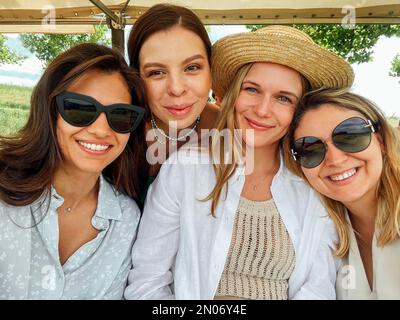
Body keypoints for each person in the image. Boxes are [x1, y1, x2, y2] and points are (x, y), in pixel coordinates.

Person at [124, 25, 354, 300]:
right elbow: (146, 282)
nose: (262, 109)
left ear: (299, 111)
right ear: (233, 94)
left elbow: (319, 287)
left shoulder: (313, 184)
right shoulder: (184, 170)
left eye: (283, 98)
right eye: (252, 89)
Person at [0, 43, 147, 299]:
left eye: (121, 115)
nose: (102, 130)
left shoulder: (125, 221)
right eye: (80, 109)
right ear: (50, 111)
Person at [285, 88, 400, 299]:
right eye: (310, 149)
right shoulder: (324, 235)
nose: (335, 160)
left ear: (381, 140)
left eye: (350, 135)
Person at [127, 3, 220, 207]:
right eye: (156, 72)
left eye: (192, 67)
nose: (176, 88)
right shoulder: (118, 129)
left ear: (211, 71)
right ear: (136, 78)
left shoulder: (230, 128)